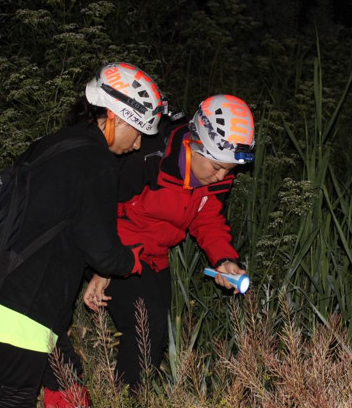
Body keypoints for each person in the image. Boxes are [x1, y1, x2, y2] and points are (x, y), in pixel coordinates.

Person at [0, 62, 165, 408]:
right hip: (24, 300)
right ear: (113, 118)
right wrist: (131, 260)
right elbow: (100, 246)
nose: (139, 144)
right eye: (137, 132)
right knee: (14, 404)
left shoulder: (57, 144)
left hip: (26, 293)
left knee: (67, 375)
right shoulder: (95, 161)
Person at [83, 94, 255, 389]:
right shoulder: (147, 159)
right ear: (194, 144)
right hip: (117, 247)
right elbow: (99, 211)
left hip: (155, 255)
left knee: (156, 334)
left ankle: (132, 400)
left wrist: (225, 260)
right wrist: (104, 266)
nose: (221, 176)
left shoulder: (218, 174)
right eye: (216, 166)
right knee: (145, 328)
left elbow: (208, 219)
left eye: (230, 169)